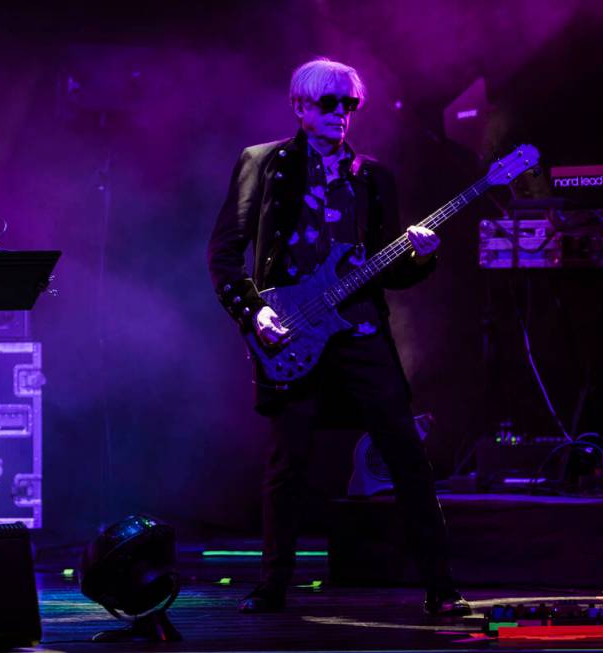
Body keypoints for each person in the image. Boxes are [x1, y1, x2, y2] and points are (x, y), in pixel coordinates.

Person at [207, 57, 469, 616]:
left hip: (360, 329)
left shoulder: (373, 176)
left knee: (406, 454)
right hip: (292, 325)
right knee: (288, 462)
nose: (341, 115)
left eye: (350, 105)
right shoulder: (263, 164)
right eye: (329, 104)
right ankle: (272, 585)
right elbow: (225, 252)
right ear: (300, 106)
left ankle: (442, 587)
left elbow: (386, 267)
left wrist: (420, 255)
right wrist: (253, 313)